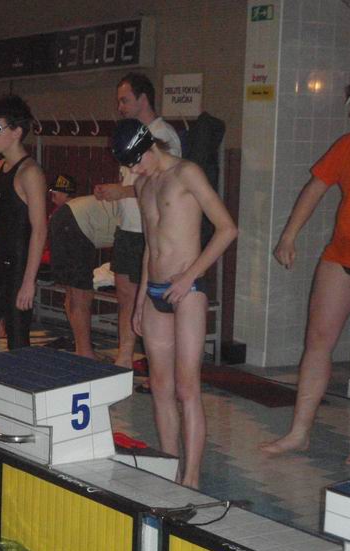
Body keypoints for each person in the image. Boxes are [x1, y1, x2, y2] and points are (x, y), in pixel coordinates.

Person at [112, 120, 237, 488]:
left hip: (189, 289)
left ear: (150, 146)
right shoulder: (142, 184)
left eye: (137, 162)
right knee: (160, 387)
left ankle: (191, 478)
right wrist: (140, 299)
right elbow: (151, 245)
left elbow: (227, 228)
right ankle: (171, 470)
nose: (135, 171)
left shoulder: (187, 173)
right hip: (154, 292)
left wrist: (189, 275)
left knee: (187, 389)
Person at [261, 79, 350, 461]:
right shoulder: (348, 146)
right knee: (317, 343)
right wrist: (288, 235)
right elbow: (315, 188)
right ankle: (299, 433)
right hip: (340, 258)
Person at [95, 73, 182, 370]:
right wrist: (115, 192)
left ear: (143, 99)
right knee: (125, 295)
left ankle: (158, 359)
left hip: (151, 230)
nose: (120, 107)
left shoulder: (163, 135)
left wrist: (121, 191)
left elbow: (164, 184)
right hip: (129, 227)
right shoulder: (130, 135)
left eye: (125, 100)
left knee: (150, 298)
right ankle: (125, 355)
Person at [0, 94, 47, 355]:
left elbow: (39, 231)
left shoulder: (30, 173)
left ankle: (21, 382)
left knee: (17, 339)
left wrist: (29, 281)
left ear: (16, 132)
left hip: (19, 267)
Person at [48, 173, 103, 360]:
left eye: (54, 193)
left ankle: (81, 347)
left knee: (73, 294)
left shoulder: (68, 212)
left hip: (72, 230)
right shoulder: (73, 211)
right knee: (80, 295)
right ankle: (84, 350)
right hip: (75, 231)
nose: (52, 197)